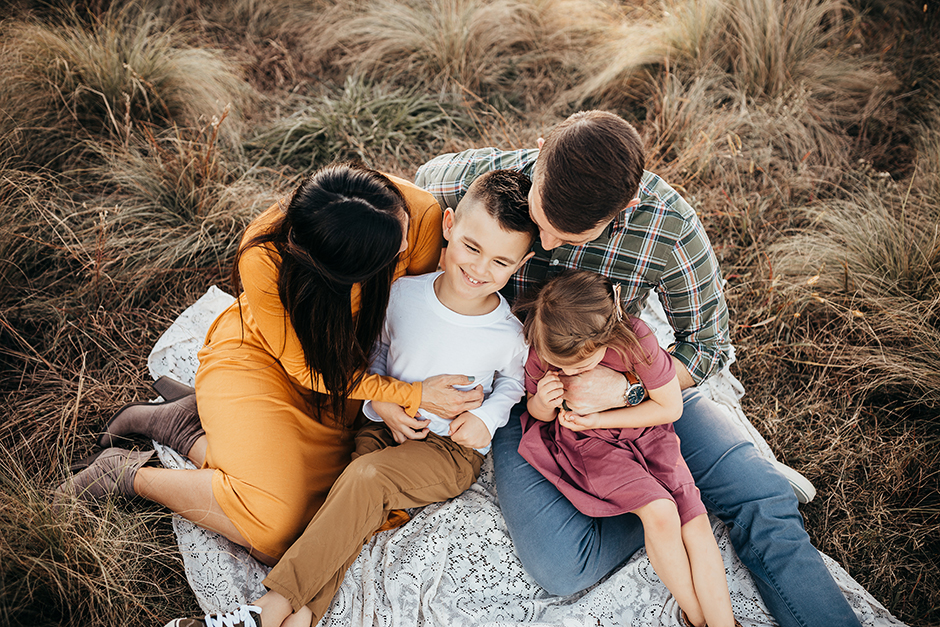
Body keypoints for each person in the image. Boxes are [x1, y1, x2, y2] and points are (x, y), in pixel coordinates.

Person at [413, 110, 863, 627]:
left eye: (571, 236)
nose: (549, 244)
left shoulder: (669, 229)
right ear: (540, 152)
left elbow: (710, 346)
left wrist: (625, 389)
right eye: (540, 221)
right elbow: (418, 189)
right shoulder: (481, 178)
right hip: (527, 397)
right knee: (561, 567)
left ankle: (714, 492)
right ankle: (670, 501)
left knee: (766, 504)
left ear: (624, 207)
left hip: (639, 385)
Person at [58, 163, 483, 566]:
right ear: (336, 271)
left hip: (349, 373)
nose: (407, 248)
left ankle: (184, 427)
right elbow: (304, 369)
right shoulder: (264, 253)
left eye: (404, 232)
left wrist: (386, 397)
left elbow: (410, 321)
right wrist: (406, 394)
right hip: (267, 361)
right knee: (276, 531)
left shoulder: (416, 217)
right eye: (393, 252)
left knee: (325, 523)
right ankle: (125, 474)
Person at [164, 168, 537, 627]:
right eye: (472, 249)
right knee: (341, 505)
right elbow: (375, 352)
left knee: (364, 480)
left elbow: (515, 383)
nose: (479, 269)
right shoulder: (402, 293)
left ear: (520, 265)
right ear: (450, 228)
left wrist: (488, 418)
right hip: (373, 418)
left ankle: (267, 610)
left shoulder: (506, 331)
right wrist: (384, 402)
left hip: (449, 447)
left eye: (500, 262)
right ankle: (301, 618)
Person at [518, 269, 737, 627]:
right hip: (589, 446)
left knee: (694, 520)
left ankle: (724, 623)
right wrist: (543, 400)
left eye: (582, 365)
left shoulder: (635, 338)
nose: (569, 371)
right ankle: (697, 619)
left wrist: (597, 418)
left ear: (606, 337)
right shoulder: (545, 347)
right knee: (661, 511)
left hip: (649, 433)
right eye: (561, 366)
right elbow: (536, 412)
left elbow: (670, 407)